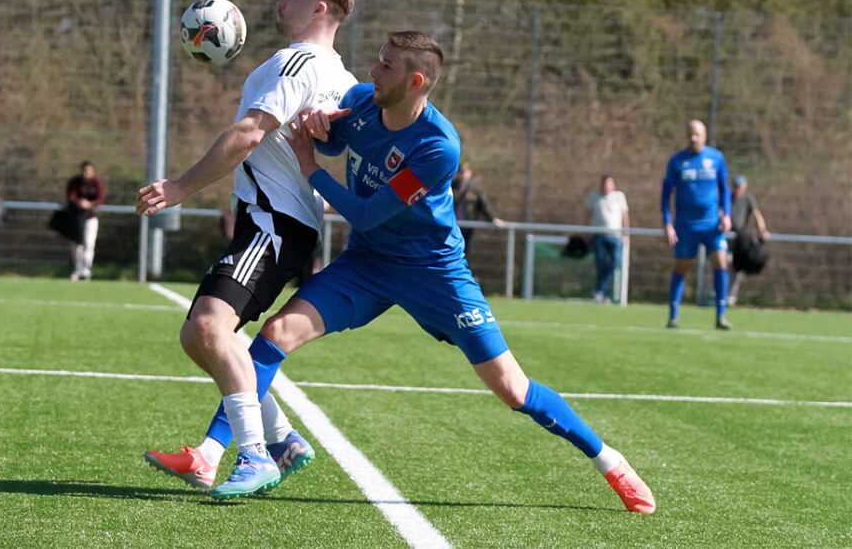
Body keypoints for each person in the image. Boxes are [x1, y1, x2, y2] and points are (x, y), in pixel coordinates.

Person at [149, 31, 656, 513]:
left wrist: (310, 166)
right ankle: (215, 453)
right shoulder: (366, 101)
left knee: (512, 389)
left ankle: (610, 461)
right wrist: (319, 129)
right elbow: (331, 140)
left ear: (415, 82)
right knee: (277, 332)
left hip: (434, 272)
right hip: (368, 264)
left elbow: (367, 212)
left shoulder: (439, 146)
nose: (372, 70)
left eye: (386, 65)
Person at [136, 0, 358, 495]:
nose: (281, 3)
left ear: (319, 8)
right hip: (278, 225)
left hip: (273, 225)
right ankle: (280, 440)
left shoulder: (297, 61)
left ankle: (254, 457)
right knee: (201, 334)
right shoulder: (345, 81)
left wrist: (182, 186)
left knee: (211, 330)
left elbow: (249, 133)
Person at [661, 120, 732, 330]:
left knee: (721, 262)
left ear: (705, 135)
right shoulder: (676, 161)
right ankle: (673, 315)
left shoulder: (716, 158)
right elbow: (665, 196)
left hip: (712, 224)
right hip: (685, 225)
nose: (693, 138)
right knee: (681, 267)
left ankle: (721, 315)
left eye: (697, 134)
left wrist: (726, 215)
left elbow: (725, 189)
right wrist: (667, 223)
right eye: (690, 134)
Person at [585, 175, 630, 303]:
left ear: (613, 185)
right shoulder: (594, 197)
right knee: (600, 263)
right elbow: (587, 215)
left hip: (615, 236)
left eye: (609, 184)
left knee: (615, 261)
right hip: (598, 235)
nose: (606, 186)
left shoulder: (619, 197)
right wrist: (586, 232)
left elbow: (625, 216)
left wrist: (626, 233)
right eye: (604, 184)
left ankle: (600, 291)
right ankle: (601, 293)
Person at [728, 175, 770, 305]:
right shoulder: (726, 197)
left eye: (740, 187)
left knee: (736, 270)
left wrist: (762, 230)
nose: (738, 190)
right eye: (736, 187)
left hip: (740, 240)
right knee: (721, 264)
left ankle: (730, 297)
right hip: (726, 236)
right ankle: (715, 295)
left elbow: (757, 215)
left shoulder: (748, 199)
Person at [451, 161, 505, 254]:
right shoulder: (452, 186)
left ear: (469, 173)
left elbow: (483, 205)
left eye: (465, 172)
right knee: (452, 249)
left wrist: (492, 219)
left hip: (468, 223)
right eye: (461, 172)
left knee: (464, 249)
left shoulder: (474, 189)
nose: (463, 175)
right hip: (453, 224)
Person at [66, 161, 106, 281]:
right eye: (84, 170)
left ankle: (86, 269)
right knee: (76, 244)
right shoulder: (75, 182)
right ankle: (77, 269)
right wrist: (80, 203)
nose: (86, 173)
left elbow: (101, 198)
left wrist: (90, 204)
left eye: (89, 171)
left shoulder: (97, 183)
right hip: (77, 217)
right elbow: (71, 196)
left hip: (91, 217)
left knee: (89, 243)